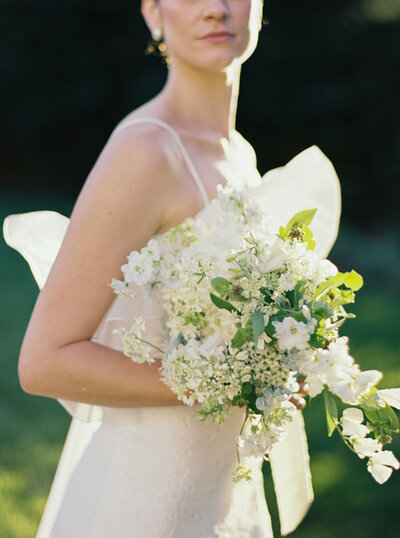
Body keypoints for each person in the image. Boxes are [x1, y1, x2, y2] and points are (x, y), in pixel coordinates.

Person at [3, 0, 342, 536]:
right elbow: (44, 361)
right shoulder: (147, 150)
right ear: (153, 13)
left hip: (223, 484)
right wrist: (231, 382)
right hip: (147, 491)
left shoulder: (240, 156)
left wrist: (284, 357)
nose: (216, 9)